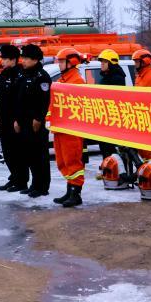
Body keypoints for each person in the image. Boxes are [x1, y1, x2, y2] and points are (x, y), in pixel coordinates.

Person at [15, 43, 53, 198]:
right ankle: (34, 184)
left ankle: (42, 186)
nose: (23, 61)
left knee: (39, 155)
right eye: (22, 58)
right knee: (29, 154)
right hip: (23, 121)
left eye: (26, 58)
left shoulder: (42, 76)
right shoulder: (24, 75)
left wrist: (38, 118)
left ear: (35, 59)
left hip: (35, 122)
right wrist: (17, 120)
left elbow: (44, 101)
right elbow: (19, 100)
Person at [50, 48, 87, 207]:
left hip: (71, 129)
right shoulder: (63, 80)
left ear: (71, 62)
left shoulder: (77, 81)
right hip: (61, 128)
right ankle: (69, 191)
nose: (59, 64)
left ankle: (75, 194)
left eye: (61, 61)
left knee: (72, 161)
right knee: (63, 161)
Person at [0, 43, 26, 192]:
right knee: (7, 152)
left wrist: (18, 119)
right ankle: (13, 178)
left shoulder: (19, 75)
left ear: (13, 59)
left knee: (17, 152)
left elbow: (20, 101)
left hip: (14, 121)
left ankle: (21, 181)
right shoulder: (4, 74)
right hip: (3, 119)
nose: (2, 61)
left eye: (5, 58)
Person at [94, 48, 129, 160]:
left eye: (104, 62)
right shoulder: (106, 76)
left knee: (110, 147)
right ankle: (108, 163)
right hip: (104, 116)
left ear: (111, 63)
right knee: (104, 145)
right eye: (101, 62)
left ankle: (113, 164)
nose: (102, 64)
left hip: (111, 117)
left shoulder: (117, 78)